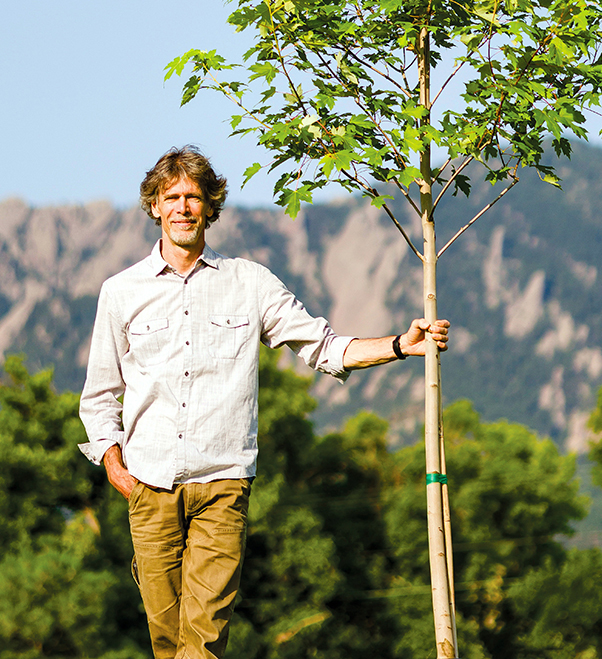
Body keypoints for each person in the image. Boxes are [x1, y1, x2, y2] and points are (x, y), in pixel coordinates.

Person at [78, 146, 449, 659]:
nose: (184, 207)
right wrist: (120, 473)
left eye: (194, 196)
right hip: (149, 488)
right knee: (167, 642)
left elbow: (323, 346)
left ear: (211, 205)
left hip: (222, 485)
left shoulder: (248, 283)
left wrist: (397, 346)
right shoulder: (120, 293)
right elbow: (99, 397)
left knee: (204, 638)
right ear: (155, 207)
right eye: (173, 197)